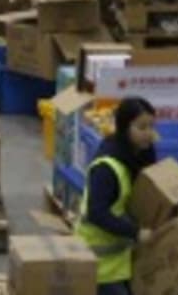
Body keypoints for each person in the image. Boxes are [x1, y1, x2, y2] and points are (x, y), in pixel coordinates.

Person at [76, 96, 159, 295]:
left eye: (151, 127)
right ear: (124, 127)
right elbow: (96, 212)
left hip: (122, 261)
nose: (149, 134)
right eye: (141, 127)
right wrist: (136, 232)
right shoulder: (107, 167)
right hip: (98, 264)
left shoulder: (139, 156)